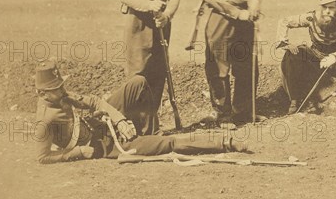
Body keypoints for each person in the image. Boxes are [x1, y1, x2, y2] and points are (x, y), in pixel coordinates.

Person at [34, 61, 247, 164]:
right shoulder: (44, 120)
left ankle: (150, 131)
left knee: (138, 82)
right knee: (169, 144)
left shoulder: (61, 95)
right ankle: (224, 141)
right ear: (41, 93)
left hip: (102, 124)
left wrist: (119, 120)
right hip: (104, 145)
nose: (62, 90)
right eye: (55, 89)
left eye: (61, 85)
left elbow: (95, 101)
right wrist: (78, 153)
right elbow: (42, 157)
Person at [119, 0, 180, 131]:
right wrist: (147, 4)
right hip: (138, 25)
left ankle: (152, 127)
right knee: (137, 76)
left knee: (158, 73)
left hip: (162, 26)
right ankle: (135, 126)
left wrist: (167, 15)